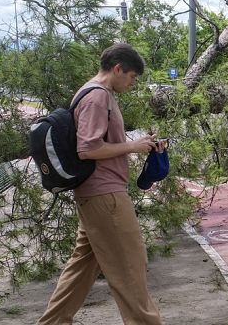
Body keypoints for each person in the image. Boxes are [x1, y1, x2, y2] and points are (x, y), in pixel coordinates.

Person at [38, 43, 165, 325]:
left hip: (95, 195)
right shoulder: (97, 97)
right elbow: (88, 149)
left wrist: (139, 144)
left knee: (82, 267)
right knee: (131, 267)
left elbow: (97, 144)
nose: (132, 83)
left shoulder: (92, 92)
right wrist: (132, 147)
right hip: (105, 196)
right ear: (118, 69)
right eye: (132, 77)